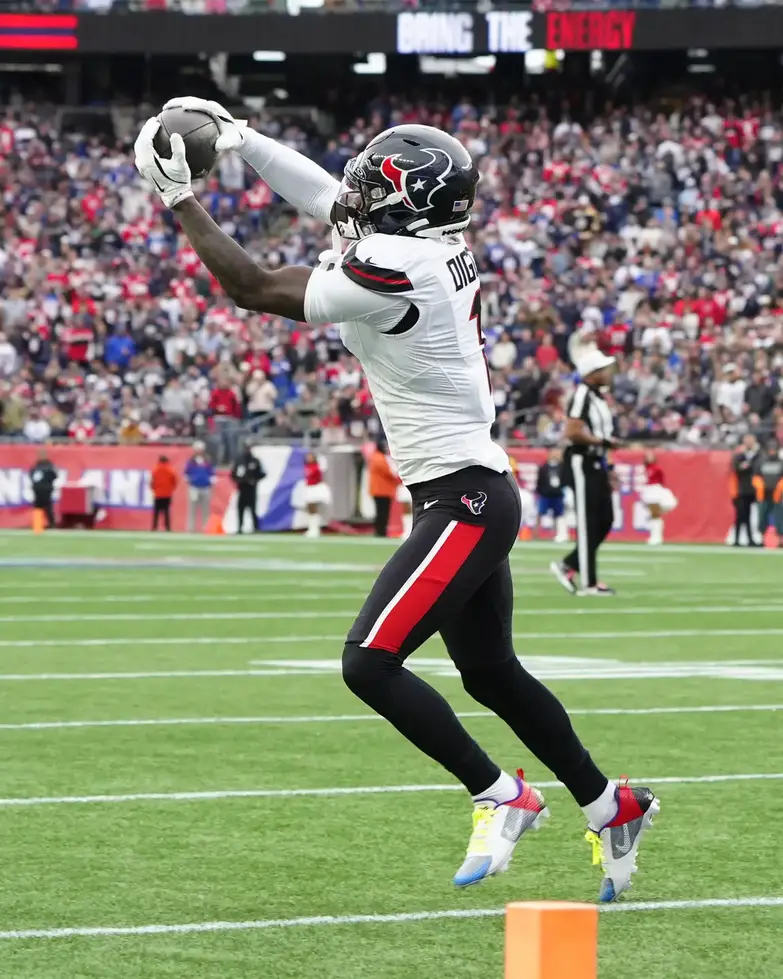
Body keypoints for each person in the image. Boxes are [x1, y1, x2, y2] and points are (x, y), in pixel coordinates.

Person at [134, 100, 659, 901]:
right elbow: (321, 195)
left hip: (464, 499)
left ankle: (499, 794)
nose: (354, 186)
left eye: (373, 178)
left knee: (368, 663)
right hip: (466, 487)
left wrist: (179, 196)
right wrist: (240, 140)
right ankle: (607, 803)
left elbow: (251, 285)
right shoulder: (418, 244)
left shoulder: (399, 265)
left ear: (404, 200)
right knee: (488, 671)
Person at [551, 333, 619, 595]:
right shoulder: (582, 394)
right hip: (581, 461)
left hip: (595, 463)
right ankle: (589, 582)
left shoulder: (598, 397)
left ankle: (569, 564)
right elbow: (572, 430)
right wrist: (601, 442)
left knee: (605, 519)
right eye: (603, 368)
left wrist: (608, 460)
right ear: (592, 372)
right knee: (590, 521)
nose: (608, 372)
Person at [640, 450, 678, 546]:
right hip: (648, 490)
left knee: (656, 514)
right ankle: (655, 537)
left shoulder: (657, 469)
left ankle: (656, 537)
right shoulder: (645, 468)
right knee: (654, 515)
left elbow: (661, 481)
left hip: (655, 489)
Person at [730, 433, 760, 547]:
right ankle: (737, 538)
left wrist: (746, 466)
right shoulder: (740, 455)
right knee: (741, 516)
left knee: (751, 516)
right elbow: (737, 468)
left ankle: (751, 538)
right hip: (742, 489)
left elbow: (755, 468)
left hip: (754, 489)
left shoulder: (757, 454)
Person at [753, 442, 783, 547]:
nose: (772, 452)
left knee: (780, 518)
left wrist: (780, 488)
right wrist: (759, 486)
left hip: (778, 496)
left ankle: (780, 539)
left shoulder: (781, 463)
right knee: (762, 517)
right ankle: (762, 538)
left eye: (774, 450)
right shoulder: (761, 462)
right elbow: (756, 476)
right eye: (770, 450)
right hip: (764, 495)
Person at [368, 439, 400, 537]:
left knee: (383, 512)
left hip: (383, 490)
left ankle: (381, 531)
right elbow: (389, 472)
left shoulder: (380, 457)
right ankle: (380, 532)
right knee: (382, 512)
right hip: (381, 490)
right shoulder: (378, 458)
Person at [535, 447, 568, 543]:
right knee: (540, 513)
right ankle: (535, 534)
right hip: (545, 495)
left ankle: (560, 534)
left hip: (558, 495)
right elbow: (540, 481)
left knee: (559, 515)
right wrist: (541, 492)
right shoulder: (544, 467)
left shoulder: (562, 467)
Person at [231, 443, 265, 533]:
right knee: (240, 509)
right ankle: (240, 527)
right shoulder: (239, 461)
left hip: (251, 488)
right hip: (242, 488)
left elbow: (262, 473)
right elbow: (233, 474)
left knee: (253, 509)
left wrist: (255, 480)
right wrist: (238, 480)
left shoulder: (255, 461)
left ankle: (256, 527)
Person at [184, 441, 215, 533]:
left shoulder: (207, 461)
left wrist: (211, 481)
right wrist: (190, 480)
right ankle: (191, 528)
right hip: (194, 487)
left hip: (205, 487)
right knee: (192, 509)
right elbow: (186, 473)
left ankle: (206, 528)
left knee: (206, 510)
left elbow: (211, 473)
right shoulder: (191, 461)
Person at [302, 451, 331, 539]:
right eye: (308, 457)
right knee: (310, 509)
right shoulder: (307, 466)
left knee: (313, 508)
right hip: (309, 488)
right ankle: (312, 528)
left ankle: (315, 529)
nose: (309, 458)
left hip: (316, 488)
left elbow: (322, 470)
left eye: (310, 457)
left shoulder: (317, 467)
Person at [28, 448, 57, 528]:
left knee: (48, 507)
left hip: (47, 489)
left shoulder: (49, 465)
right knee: (37, 507)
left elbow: (55, 476)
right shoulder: (36, 465)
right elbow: (31, 475)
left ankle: (52, 524)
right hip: (37, 490)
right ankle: (37, 525)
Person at [150, 455, 178, 531]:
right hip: (167, 494)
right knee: (166, 511)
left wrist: (154, 489)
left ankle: (154, 527)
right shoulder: (170, 470)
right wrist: (171, 489)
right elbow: (175, 481)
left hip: (158, 494)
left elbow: (152, 481)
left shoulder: (155, 470)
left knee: (156, 511)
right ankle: (167, 527)